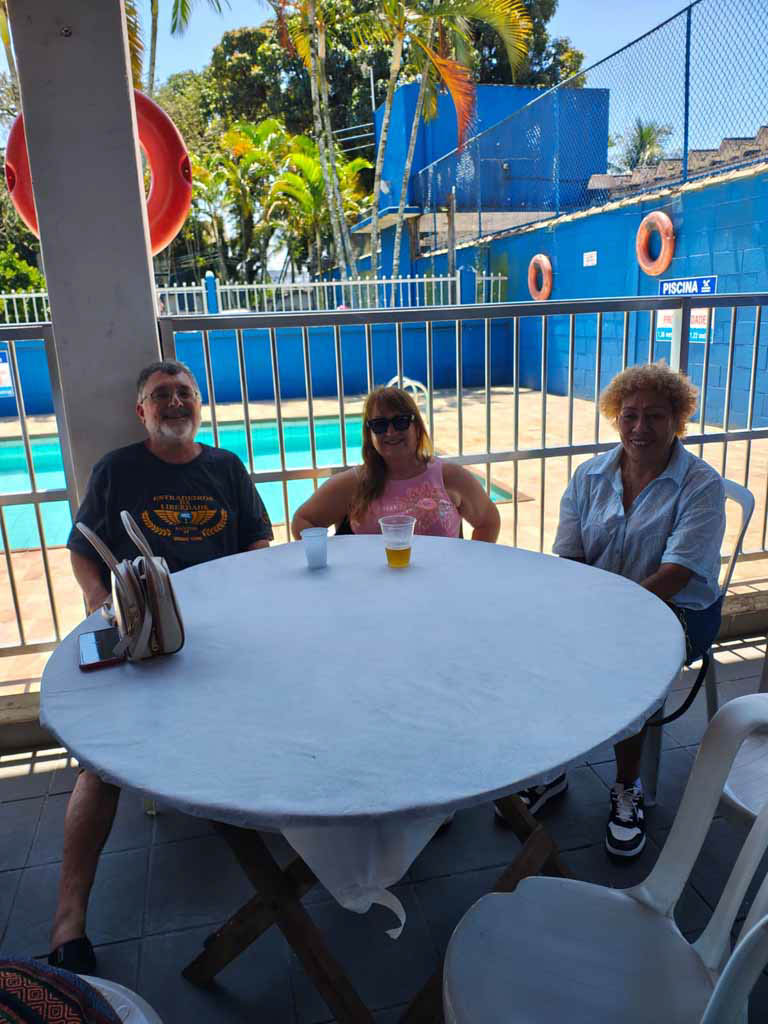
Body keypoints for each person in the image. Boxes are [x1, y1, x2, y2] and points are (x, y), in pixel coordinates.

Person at [49, 359, 273, 973]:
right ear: (141, 411)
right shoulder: (117, 470)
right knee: (99, 765)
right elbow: (81, 548)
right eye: (161, 395)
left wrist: (246, 594)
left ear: (199, 404)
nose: (175, 402)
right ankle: (68, 922)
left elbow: (258, 540)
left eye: (184, 393)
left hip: (224, 633)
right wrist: (101, 601)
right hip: (143, 635)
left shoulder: (226, 467)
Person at [498, 362, 725, 860]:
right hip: (602, 604)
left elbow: (677, 574)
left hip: (678, 610)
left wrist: (609, 618)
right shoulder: (590, 475)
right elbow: (571, 557)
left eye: (655, 416)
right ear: (615, 417)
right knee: (533, 638)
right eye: (630, 415)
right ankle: (553, 768)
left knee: (626, 657)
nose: (640, 427)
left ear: (678, 419)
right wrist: (576, 612)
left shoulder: (700, 485)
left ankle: (627, 787)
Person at [291, 386, 501, 543]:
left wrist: (469, 565)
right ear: (370, 434)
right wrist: (337, 564)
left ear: (417, 427)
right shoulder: (355, 483)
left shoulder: (449, 477)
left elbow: (488, 522)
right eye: (379, 425)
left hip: (441, 585)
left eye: (400, 421)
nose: (390, 432)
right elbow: (303, 520)